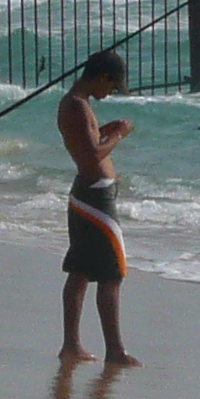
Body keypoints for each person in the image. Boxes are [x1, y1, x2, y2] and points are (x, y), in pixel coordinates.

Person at [58, 50, 136, 366]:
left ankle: (71, 346)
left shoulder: (76, 104)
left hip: (87, 196)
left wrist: (103, 129)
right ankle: (114, 350)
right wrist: (118, 133)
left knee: (81, 271)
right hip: (95, 200)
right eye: (112, 86)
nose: (110, 93)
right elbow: (91, 157)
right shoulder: (77, 105)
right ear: (101, 77)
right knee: (111, 275)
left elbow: (85, 142)